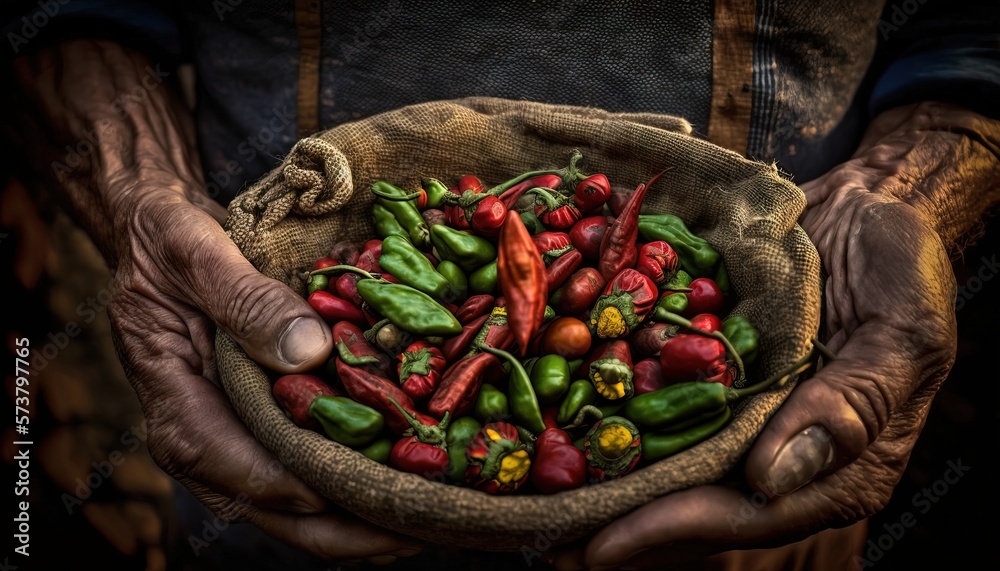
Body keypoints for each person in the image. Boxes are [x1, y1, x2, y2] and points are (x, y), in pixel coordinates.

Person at [3, 1, 998, 569]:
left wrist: (909, 185)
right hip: (263, 485)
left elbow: (971, 34)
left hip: (760, 502)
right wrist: (138, 190)